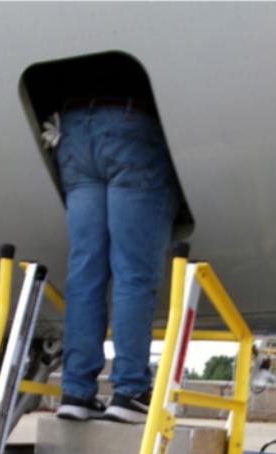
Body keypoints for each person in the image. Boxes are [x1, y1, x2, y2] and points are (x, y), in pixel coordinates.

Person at [38, 64, 183, 423]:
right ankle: (130, 390)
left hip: (73, 131)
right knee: (132, 272)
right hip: (129, 123)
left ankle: (76, 391)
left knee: (85, 272)